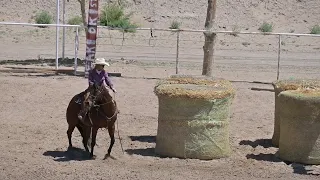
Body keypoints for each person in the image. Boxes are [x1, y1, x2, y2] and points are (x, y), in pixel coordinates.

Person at [76, 58, 117, 122]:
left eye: (103, 65)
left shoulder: (104, 72)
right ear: (97, 65)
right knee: (87, 99)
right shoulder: (91, 72)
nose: (103, 67)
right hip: (92, 88)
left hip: (102, 89)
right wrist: (94, 85)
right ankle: (83, 113)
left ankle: (114, 110)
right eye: (101, 65)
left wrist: (112, 87)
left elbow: (107, 80)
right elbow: (90, 81)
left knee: (110, 97)